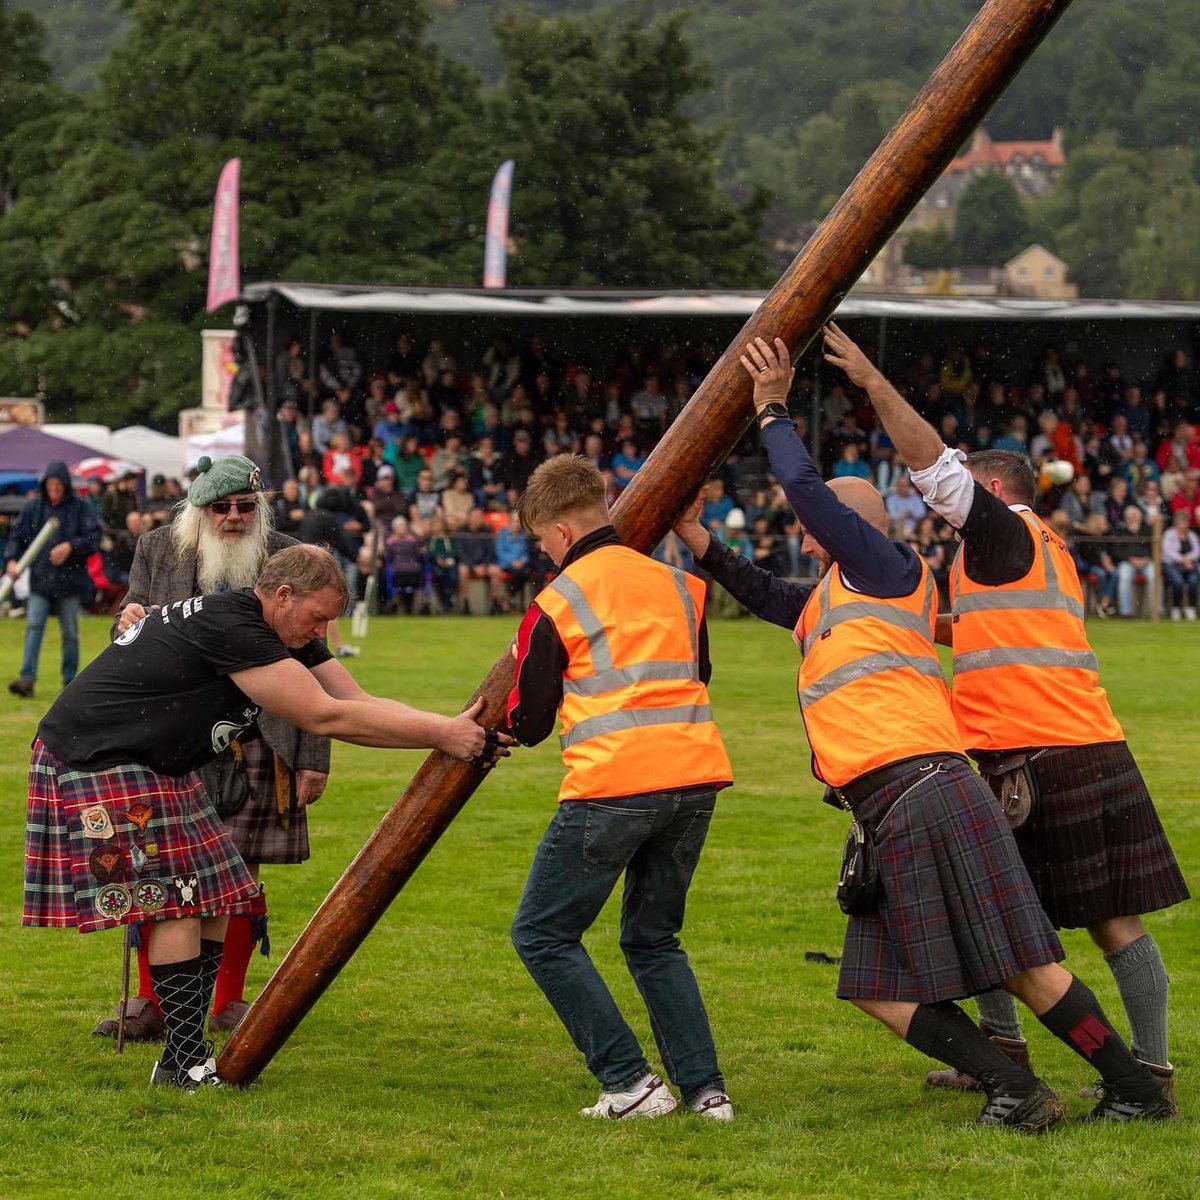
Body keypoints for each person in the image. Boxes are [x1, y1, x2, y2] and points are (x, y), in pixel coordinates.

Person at [674, 335, 1176, 1129]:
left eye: (820, 529)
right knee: (886, 982)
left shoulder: (889, 565)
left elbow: (807, 493)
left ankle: (1132, 1084)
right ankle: (1013, 1083)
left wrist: (771, 409)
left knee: (1023, 961)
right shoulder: (835, 597)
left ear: (851, 527)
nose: (806, 538)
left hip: (924, 783)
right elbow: (763, 590)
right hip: (894, 798)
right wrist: (697, 539)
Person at [822, 321, 1188, 1115]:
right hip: (1081, 744)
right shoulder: (1045, 548)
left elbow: (930, 464)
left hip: (1035, 757)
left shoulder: (1000, 530)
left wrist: (871, 384)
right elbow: (1000, 634)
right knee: (1090, 917)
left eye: (960, 500)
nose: (946, 514)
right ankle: (1134, 1068)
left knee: (996, 912)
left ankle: (1117, 1075)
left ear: (989, 494)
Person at [24, 543, 510, 1091]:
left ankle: (182, 1055)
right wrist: (443, 736)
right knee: (180, 899)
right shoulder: (236, 627)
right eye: (320, 615)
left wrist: (447, 727)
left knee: (219, 895)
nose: (324, 629)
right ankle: (184, 1061)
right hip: (100, 755)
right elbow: (323, 716)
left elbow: (357, 698)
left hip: (154, 760)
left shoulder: (285, 632)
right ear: (283, 595)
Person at [507, 454, 734, 1122]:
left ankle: (628, 1081)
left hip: (612, 782)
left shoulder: (555, 601)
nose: (545, 553)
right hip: (694, 776)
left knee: (542, 934)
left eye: (542, 540)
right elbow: (701, 671)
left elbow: (528, 721)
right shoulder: (679, 586)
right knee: (654, 938)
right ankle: (706, 1091)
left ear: (560, 531)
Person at [90, 455, 330, 1046]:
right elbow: (129, 632)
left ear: (260, 507)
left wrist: (313, 755)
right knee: (160, 870)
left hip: (261, 738)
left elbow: (315, 658)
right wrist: (127, 619)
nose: (232, 518)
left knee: (238, 876)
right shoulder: (158, 549)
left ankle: (226, 1002)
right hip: (173, 735)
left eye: (245, 507)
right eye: (220, 507)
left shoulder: (288, 555)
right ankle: (152, 1002)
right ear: (197, 508)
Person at [6, 460, 102, 699]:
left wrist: (70, 546)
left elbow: (94, 538)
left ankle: (69, 682)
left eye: (59, 484)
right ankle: (27, 680)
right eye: (51, 484)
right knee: (33, 626)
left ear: (65, 485)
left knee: (70, 633)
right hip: (40, 581)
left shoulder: (80, 508)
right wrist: (10, 560)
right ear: (45, 484)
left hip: (69, 584)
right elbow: (16, 538)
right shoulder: (33, 507)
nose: (55, 489)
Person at [1161, 507, 1199, 620]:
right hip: (1171, 564)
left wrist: (1188, 559)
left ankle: (1191, 607)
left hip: (1189, 565)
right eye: (1183, 522)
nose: (1185, 525)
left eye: (1186, 522)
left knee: (1193, 581)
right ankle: (1176, 608)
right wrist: (1183, 559)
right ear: (1177, 523)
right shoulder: (1169, 534)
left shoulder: (1191, 535)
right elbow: (1168, 551)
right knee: (1177, 581)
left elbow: (1197, 550)